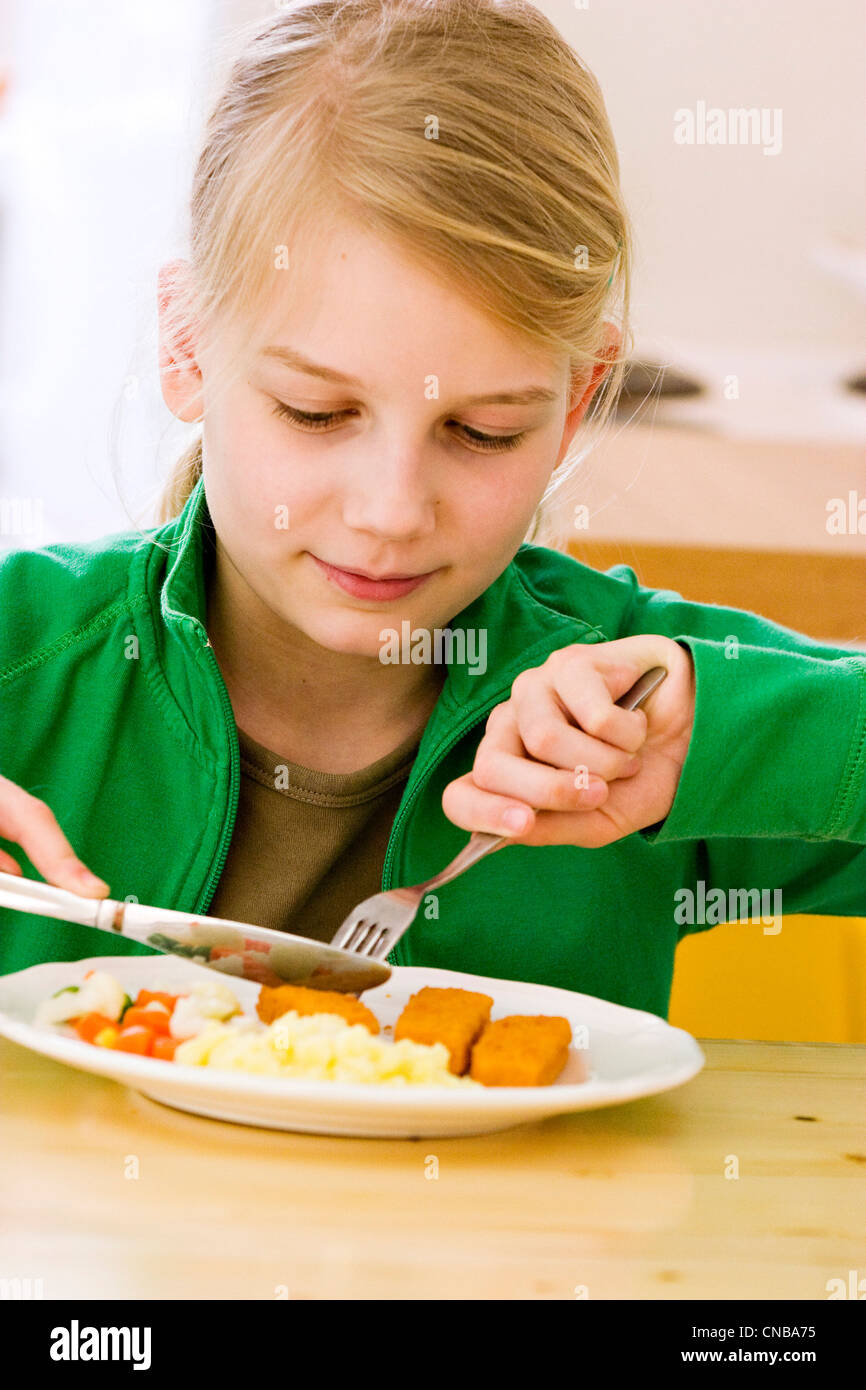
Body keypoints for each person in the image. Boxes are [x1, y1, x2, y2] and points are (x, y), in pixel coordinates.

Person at [0, 0, 863, 1019]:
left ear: (576, 401)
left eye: (481, 431)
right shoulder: (29, 661)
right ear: (188, 349)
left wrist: (731, 739)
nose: (391, 510)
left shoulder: (625, 723)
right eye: (317, 412)